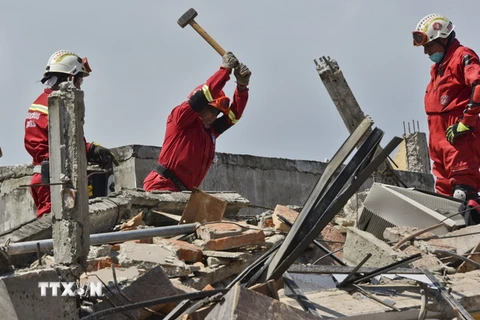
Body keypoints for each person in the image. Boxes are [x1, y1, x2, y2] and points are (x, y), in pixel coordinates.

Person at [24, 50, 118, 218]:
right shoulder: (59, 105)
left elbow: (55, 140)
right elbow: (68, 144)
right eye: (79, 79)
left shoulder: (39, 103)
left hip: (42, 177)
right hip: (53, 181)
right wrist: (87, 149)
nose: (80, 85)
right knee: (53, 233)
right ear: (70, 78)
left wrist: (89, 148)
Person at [143, 52, 251, 192]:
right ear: (200, 107)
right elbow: (206, 94)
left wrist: (241, 88)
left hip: (184, 192)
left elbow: (234, 116)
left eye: (217, 113)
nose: (214, 116)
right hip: (162, 185)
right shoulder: (180, 119)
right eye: (212, 111)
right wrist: (225, 71)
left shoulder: (209, 131)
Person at [413, 13, 480, 225]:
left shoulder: (462, 56)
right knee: (444, 198)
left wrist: (466, 121)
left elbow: (479, 85)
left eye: (429, 45)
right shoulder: (438, 68)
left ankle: (473, 241)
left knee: (463, 194)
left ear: (443, 38)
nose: (426, 52)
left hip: (458, 138)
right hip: (439, 139)